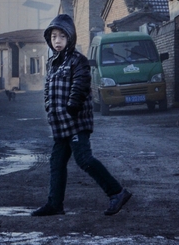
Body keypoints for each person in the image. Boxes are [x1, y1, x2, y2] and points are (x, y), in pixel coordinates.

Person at [31, 13, 133, 217]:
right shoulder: (52, 63)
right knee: (56, 162)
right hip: (60, 125)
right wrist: (48, 107)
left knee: (84, 159)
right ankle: (55, 204)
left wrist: (72, 106)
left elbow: (80, 84)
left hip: (76, 122)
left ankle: (117, 192)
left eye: (62, 36)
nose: (57, 40)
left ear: (70, 37)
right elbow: (47, 90)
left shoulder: (79, 61)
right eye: (53, 37)